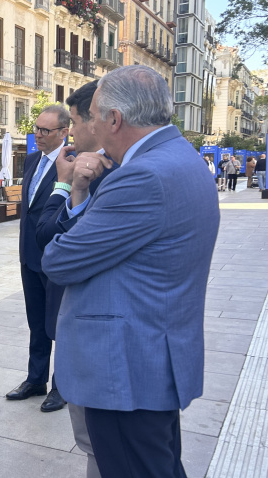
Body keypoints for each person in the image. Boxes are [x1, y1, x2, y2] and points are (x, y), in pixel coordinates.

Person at [42, 65, 219, 477]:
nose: (86, 126)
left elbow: (59, 259)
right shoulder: (181, 158)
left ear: (115, 120)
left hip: (124, 374)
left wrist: (70, 192)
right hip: (151, 358)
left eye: (94, 115)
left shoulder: (140, 176)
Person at [34, 80, 118, 478]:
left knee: (103, 447)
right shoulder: (87, 166)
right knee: (96, 449)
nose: (39, 135)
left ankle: (56, 386)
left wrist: (66, 185)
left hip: (98, 330)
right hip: (68, 301)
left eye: (75, 122)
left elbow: (50, 237)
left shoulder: (103, 172)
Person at [7, 104, 70, 413]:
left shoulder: (70, 163)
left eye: (45, 131)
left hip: (56, 258)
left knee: (59, 323)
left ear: (63, 132)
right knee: (36, 321)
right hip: (29, 255)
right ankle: (36, 379)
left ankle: (62, 386)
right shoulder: (31, 160)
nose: (38, 136)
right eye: (36, 129)